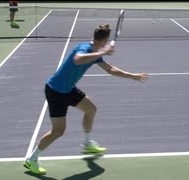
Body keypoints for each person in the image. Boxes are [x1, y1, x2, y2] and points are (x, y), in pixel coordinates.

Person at [23, 24, 149, 175]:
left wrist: (133, 76)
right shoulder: (84, 48)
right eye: (107, 41)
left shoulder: (96, 52)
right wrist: (102, 51)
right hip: (56, 91)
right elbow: (78, 59)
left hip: (68, 89)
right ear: (104, 40)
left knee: (91, 109)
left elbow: (110, 70)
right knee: (58, 131)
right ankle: (32, 159)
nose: (108, 43)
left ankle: (87, 143)